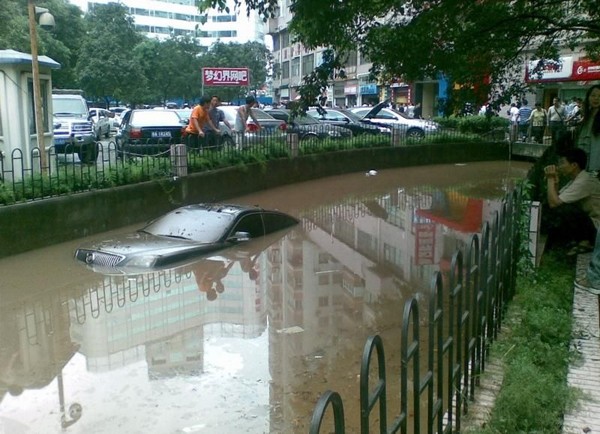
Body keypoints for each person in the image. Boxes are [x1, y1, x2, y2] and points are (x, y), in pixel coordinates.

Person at [544, 147, 600, 294]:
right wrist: (555, 183)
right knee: (562, 208)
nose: (559, 166)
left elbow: (554, 203)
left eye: (562, 163)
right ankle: (582, 241)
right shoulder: (577, 179)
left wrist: (550, 179)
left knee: (564, 209)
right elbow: (556, 197)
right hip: (592, 225)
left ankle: (586, 241)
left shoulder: (584, 181)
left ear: (574, 165)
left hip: (596, 228)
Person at [576, 85, 600, 172]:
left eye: (599, 96)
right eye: (593, 95)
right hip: (585, 164)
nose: (596, 98)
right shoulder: (587, 117)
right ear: (588, 97)